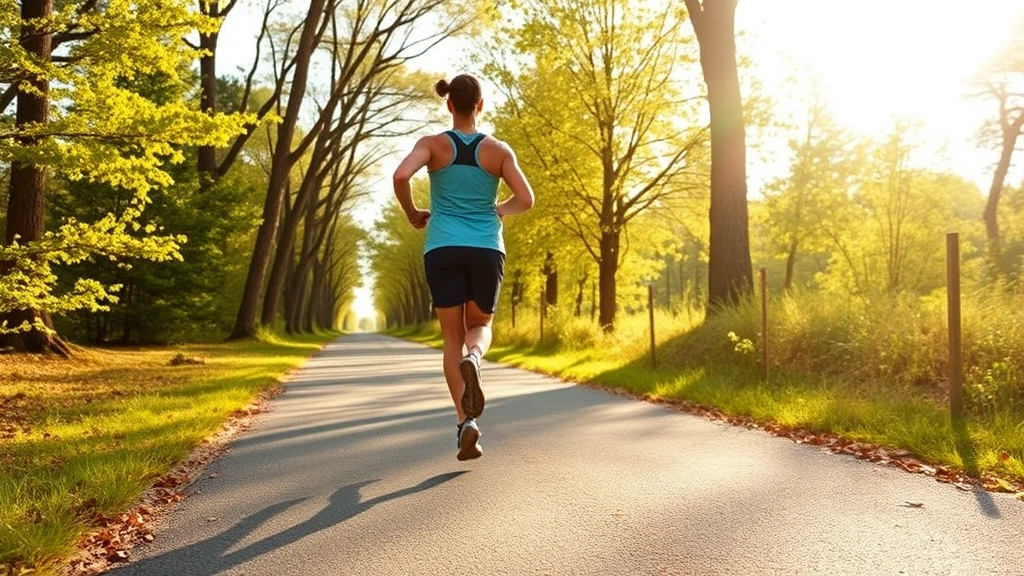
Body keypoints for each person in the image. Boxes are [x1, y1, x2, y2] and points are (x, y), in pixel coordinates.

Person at [392, 73, 535, 461]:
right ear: (481, 105)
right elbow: (526, 198)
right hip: (486, 248)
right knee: (480, 327)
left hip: (441, 247)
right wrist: (498, 210)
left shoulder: (433, 144)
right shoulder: (498, 151)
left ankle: (465, 423)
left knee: (451, 334)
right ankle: (475, 359)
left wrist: (412, 214)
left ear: (449, 104)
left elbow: (401, 175)